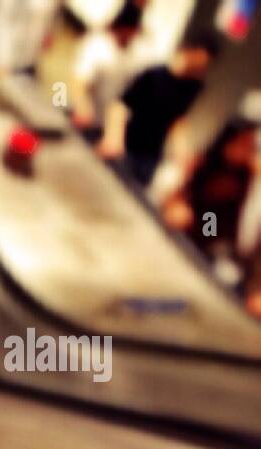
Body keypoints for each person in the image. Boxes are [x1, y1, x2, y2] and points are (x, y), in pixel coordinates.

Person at [162, 118, 261, 315]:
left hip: (223, 247)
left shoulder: (248, 176)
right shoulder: (205, 163)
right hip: (198, 234)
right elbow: (180, 195)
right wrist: (177, 205)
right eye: (243, 143)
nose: (247, 149)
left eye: (250, 146)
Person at [97, 35, 216, 186]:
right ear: (187, 52)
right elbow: (120, 106)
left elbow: (177, 121)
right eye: (198, 60)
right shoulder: (153, 74)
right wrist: (113, 138)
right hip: (127, 143)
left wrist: (182, 153)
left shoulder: (193, 87)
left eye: (204, 65)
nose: (199, 68)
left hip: (151, 155)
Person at [71, 1, 155, 133]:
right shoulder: (97, 45)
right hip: (87, 119)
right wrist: (83, 107)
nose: (128, 37)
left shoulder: (139, 53)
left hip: (112, 127)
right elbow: (80, 82)